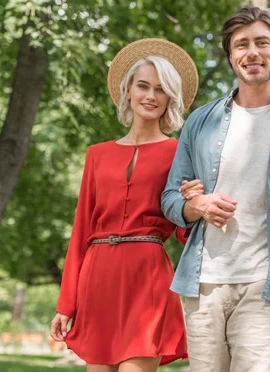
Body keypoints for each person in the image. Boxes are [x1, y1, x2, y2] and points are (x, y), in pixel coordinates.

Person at [161, 7, 270, 371]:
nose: (251, 53)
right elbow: (170, 199)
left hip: (268, 287)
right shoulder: (201, 122)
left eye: (262, 43)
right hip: (203, 285)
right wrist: (198, 206)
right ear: (230, 56)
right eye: (241, 45)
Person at [51, 38, 203, 372]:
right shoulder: (97, 154)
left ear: (170, 98)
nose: (150, 96)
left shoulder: (179, 152)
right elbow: (81, 231)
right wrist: (66, 304)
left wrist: (191, 205)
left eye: (160, 89)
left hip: (146, 276)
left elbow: (184, 229)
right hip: (98, 276)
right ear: (128, 91)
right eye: (143, 86)